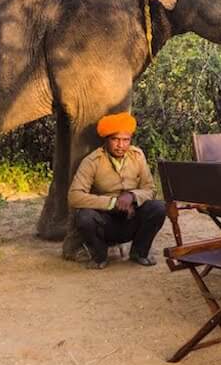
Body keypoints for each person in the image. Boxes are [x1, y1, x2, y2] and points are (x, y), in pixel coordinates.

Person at [68, 112, 166, 270]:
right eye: (115, 139)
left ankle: (139, 252)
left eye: (126, 140)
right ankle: (99, 256)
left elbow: (150, 189)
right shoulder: (92, 161)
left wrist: (132, 196)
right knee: (85, 217)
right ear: (106, 139)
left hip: (132, 217)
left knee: (159, 207)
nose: (121, 145)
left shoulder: (137, 156)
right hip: (106, 223)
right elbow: (74, 196)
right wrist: (113, 203)